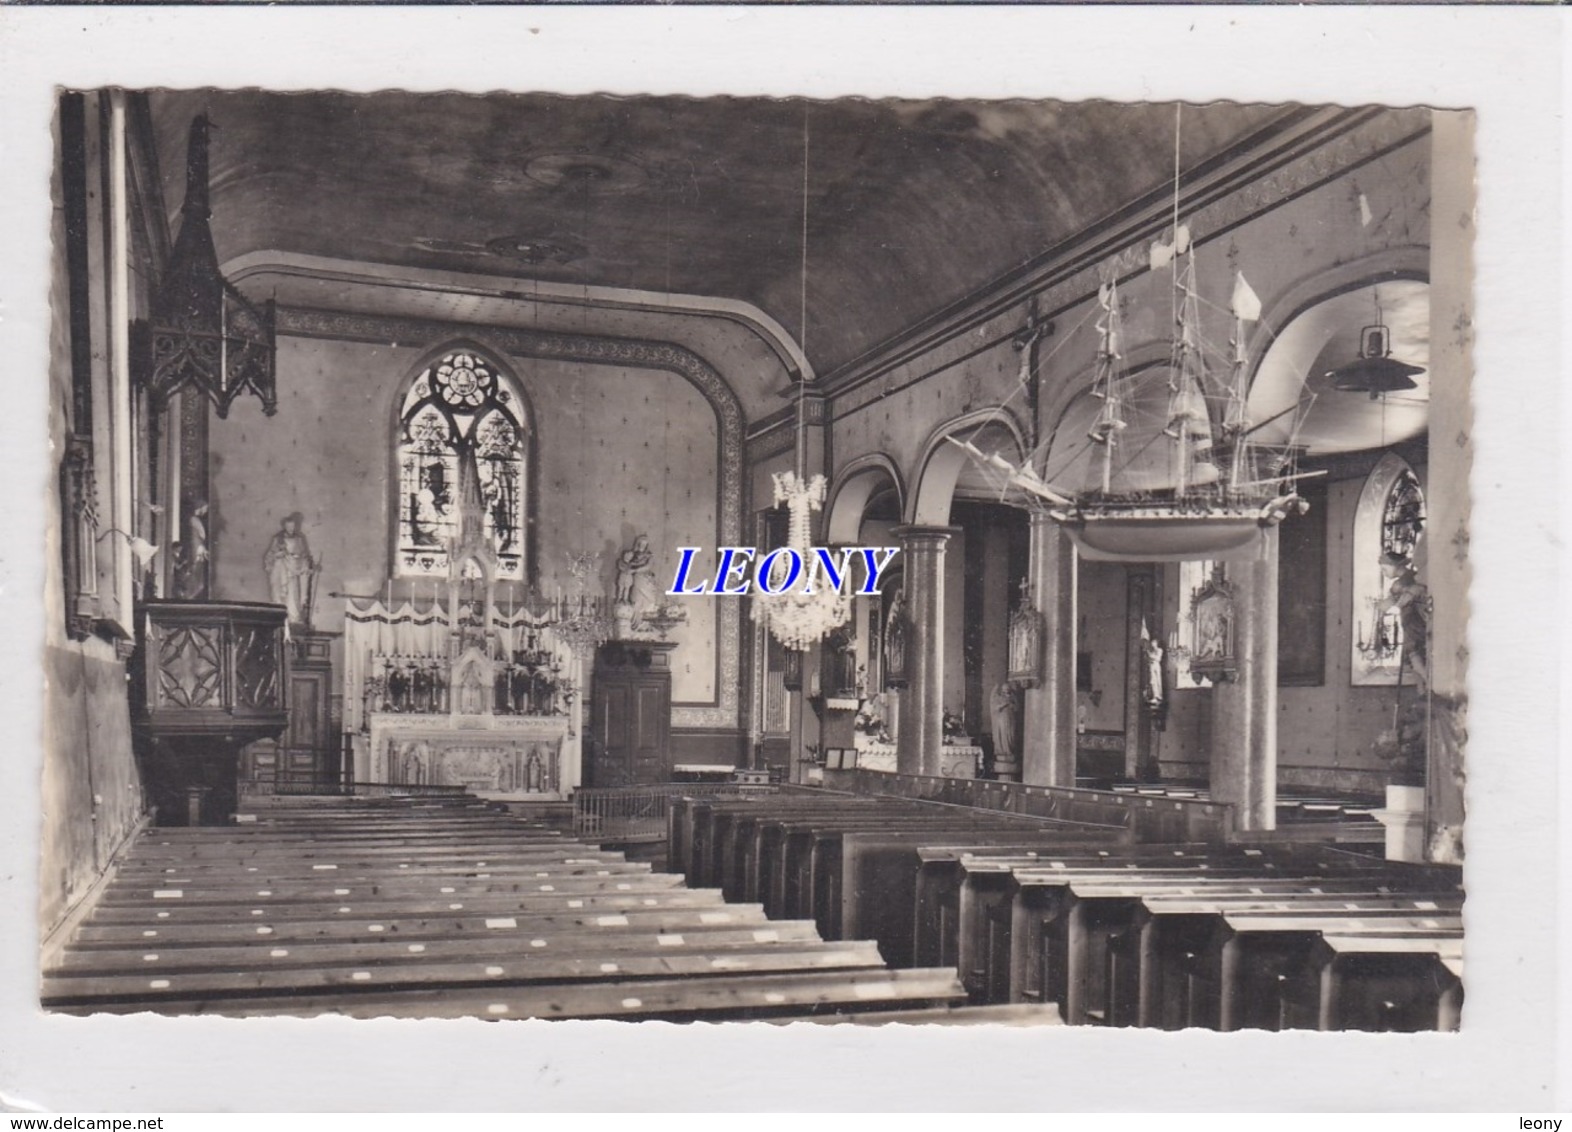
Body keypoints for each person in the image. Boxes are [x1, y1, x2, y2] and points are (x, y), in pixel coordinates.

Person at [1379, 550, 1431, 690]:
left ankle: (1429, 684)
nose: (1383, 572)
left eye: (1385, 568)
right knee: (1414, 656)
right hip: (1410, 621)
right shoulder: (1401, 583)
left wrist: (1397, 604)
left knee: (1413, 651)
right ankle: (1423, 690)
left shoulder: (1407, 580)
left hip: (1415, 621)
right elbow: (1390, 601)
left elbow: (1416, 591)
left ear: (1396, 565)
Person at [264, 512, 317, 626]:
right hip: (281, 570)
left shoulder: (299, 539)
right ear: (284, 526)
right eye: (289, 526)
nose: (291, 528)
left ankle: (293, 619)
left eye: (293, 526)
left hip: (294, 572)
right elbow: (270, 556)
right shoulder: (278, 539)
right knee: (280, 595)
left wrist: (305, 564)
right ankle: (280, 619)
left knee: (293, 596)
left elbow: (304, 556)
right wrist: (279, 554)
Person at [615, 534, 654, 608]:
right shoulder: (632, 555)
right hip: (634, 578)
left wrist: (635, 570)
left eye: (644, 544)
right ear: (638, 544)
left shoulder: (649, 555)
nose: (642, 546)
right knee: (634, 597)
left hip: (645, 579)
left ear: (646, 545)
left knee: (645, 597)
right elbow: (625, 563)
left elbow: (648, 566)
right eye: (641, 544)